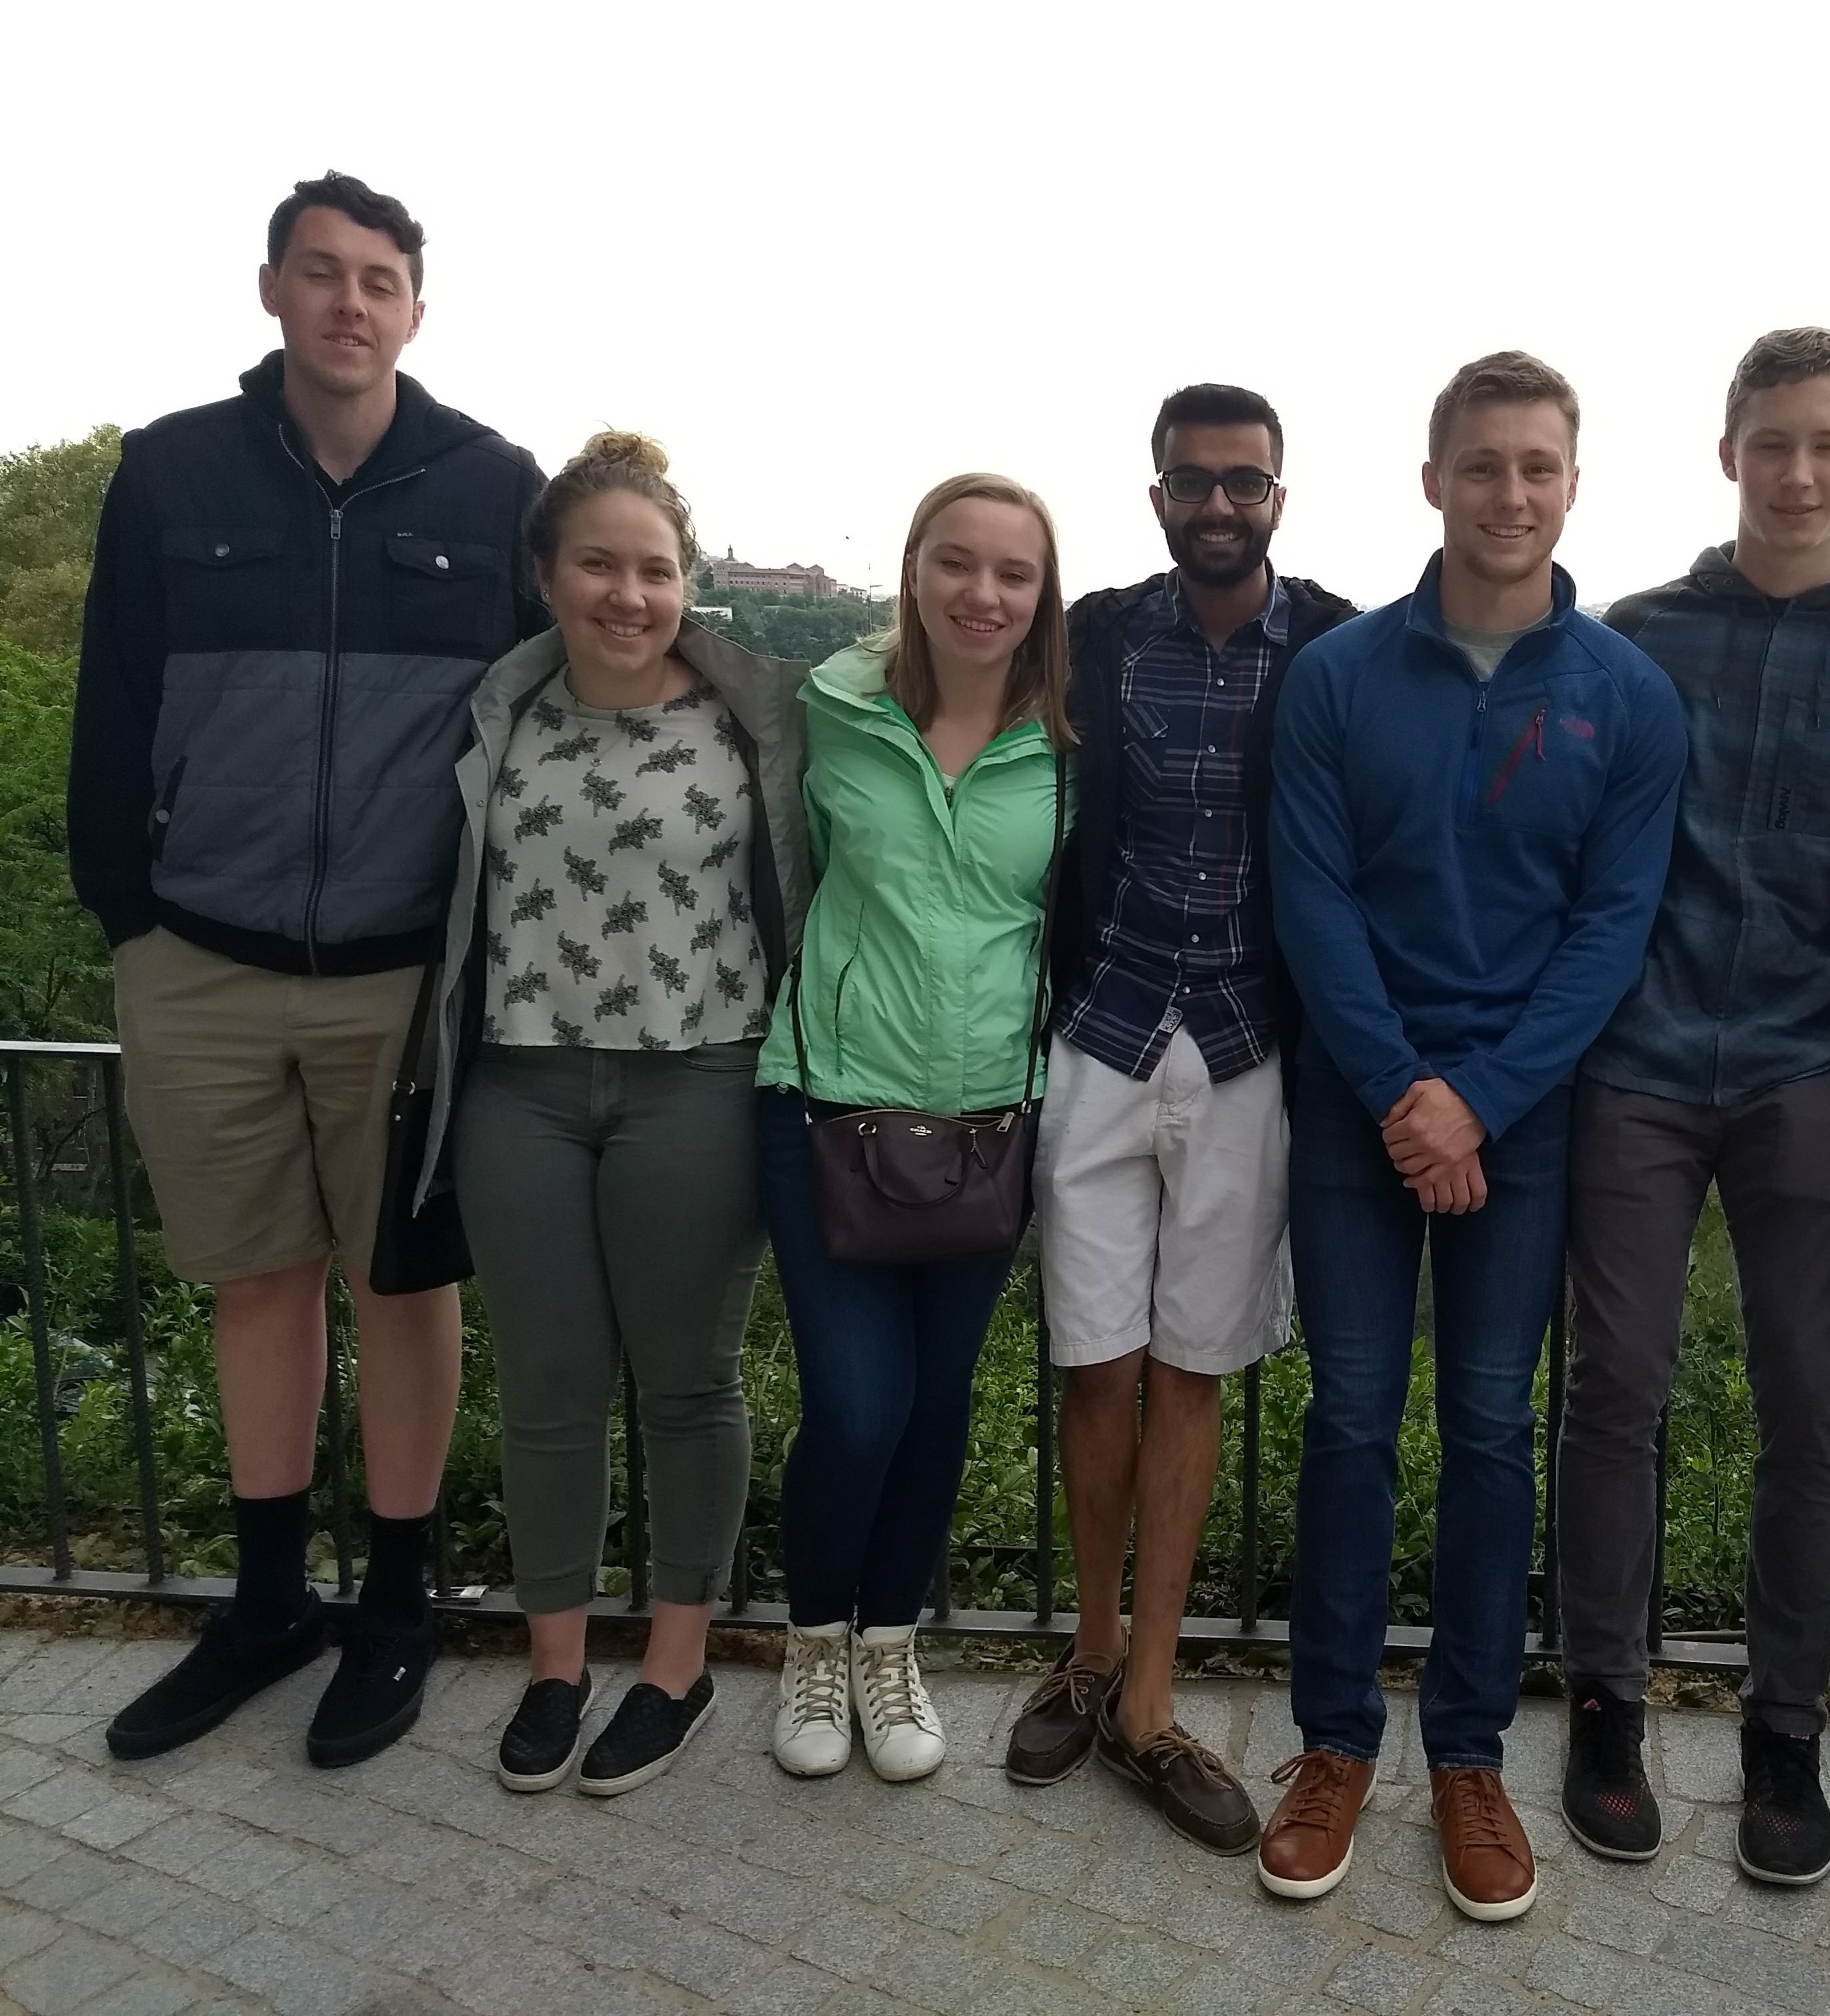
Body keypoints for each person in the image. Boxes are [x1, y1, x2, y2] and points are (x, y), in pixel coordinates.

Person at [68, 173, 545, 1768]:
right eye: (323, 275)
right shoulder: (170, 472)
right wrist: (129, 913)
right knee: (257, 1282)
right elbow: (112, 705)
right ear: (271, 289)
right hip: (198, 957)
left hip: (406, 980)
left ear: (419, 307)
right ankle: (267, 1603)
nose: (351, 303)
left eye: (381, 280)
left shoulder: (494, 491)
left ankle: (397, 1606)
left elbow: (546, 720)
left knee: (400, 1290)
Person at [1260, 352, 1685, 1920]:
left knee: (1494, 1432)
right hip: (1357, 1106)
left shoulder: (1627, 696)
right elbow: (1312, 898)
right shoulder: (1341, 677)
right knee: (1352, 1424)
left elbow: (1611, 927)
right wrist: (1400, 1097)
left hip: (1521, 1119)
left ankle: (1470, 1756)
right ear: (1433, 480)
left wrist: (1479, 1103)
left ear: (1572, 484)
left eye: (1539, 467)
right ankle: (1330, 1745)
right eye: (1483, 465)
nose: (1511, 494)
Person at [1554, 328, 1830, 1882]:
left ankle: (1785, 1726)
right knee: (1616, 1388)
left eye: (1828, 443)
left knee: (1811, 1403)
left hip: (1811, 1068)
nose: (1799, 471)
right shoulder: (1639, 636)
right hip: (1640, 1063)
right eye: (1772, 441)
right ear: (1729, 453)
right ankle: (1606, 1695)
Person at [417, 434, 806, 1795]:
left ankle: (678, 1664)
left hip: (696, 1075)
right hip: (519, 1082)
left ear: (688, 582)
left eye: (655, 569)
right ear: (547, 574)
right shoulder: (495, 715)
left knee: (688, 1383)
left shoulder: (761, 719)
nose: (628, 594)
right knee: (550, 1390)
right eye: (600, 563)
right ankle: (555, 1665)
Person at [1005, 387, 1353, 1851]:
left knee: (1195, 1370)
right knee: (1096, 1365)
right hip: (1100, 1028)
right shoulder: (1094, 636)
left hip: (1250, 1047)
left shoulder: (1336, 643)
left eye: (1246, 482)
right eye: (1194, 483)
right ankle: (1086, 1658)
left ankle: (1149, 1701)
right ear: (1155, 495)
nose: (1221, 505)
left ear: (1281, 492)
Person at [759, 474, 1071, 1783]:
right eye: (959, 563)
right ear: (914, 569)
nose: (984, 594)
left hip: (993, 1126)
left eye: (1014, 573)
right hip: (828, 1106)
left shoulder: (1068, 740)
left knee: (936, 1405)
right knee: (855, 1404)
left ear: (1042, 595)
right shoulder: (826, 708)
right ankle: (812, 1642)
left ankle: (890, 1645)